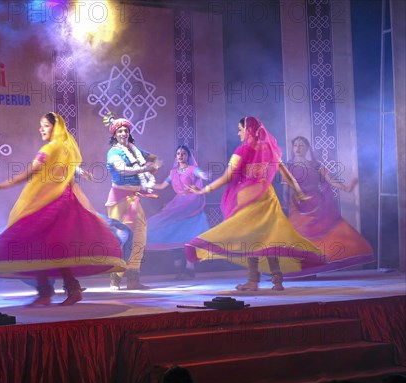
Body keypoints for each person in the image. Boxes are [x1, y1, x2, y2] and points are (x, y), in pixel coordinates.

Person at [0, 112, 127, 306]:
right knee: (49, 249)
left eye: (46, 125)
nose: (41, 129)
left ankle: (55, 292)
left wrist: (1, 186)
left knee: (43, 247)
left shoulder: (50, 149)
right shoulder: (65, 151)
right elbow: (72, 183)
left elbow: (29, 173)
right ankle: (54, 292)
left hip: (51, 206)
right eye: (40, 125)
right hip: (63, 203)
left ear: (56, 128)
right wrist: (89, 210)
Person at [186, 116, 324, 291]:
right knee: (268, 238)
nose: (238, 133)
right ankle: (276, 280)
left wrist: (204, 190)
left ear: (249, 130)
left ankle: (253, 280)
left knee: (250, 238)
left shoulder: (242, 150)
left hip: (248, 198)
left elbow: (227, 176)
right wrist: (299, 192)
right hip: (267, 198)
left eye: (240, 129)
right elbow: (287, 175)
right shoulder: (270, 149)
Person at [283, 136, 374, 277]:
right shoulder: (288, 166)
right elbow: (287, 188)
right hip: (298, 206)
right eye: (295, 145)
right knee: (299, 236)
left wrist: (346, 188)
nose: (298, 148)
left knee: (330, 232)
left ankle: (316, 266)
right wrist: (288, 202)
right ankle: (299, 269)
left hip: (316, 203)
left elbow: (330, 180)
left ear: (307, 148)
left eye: (301, 145)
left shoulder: (315, 165)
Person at [104, 113, 161, 290]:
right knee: (122, 237)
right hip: (119, 200)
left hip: (134, 199)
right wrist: (144, 168)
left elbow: (154, 159)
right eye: (120, 131)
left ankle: (133, 278)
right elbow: (122, 171)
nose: (123, 133)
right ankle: (115, 277)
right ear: (114, 134)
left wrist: (154, 167)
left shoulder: (135, 150)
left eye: (126, 131)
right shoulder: (113, 152)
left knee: (139, 237)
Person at [146, 145, 210, 279]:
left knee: (189, 236)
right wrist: (146, 184)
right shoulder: (173, 172)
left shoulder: (193, 169)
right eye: (178, 153)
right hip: (177, 204)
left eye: (184, 153)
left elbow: (201, 174)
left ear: (188, 156)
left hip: (191, 204)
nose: (181, 155)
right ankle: (178, 269)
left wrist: (205, 175)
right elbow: (162, 186)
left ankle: (190, 268)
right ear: (176, 156)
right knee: (174, 233)